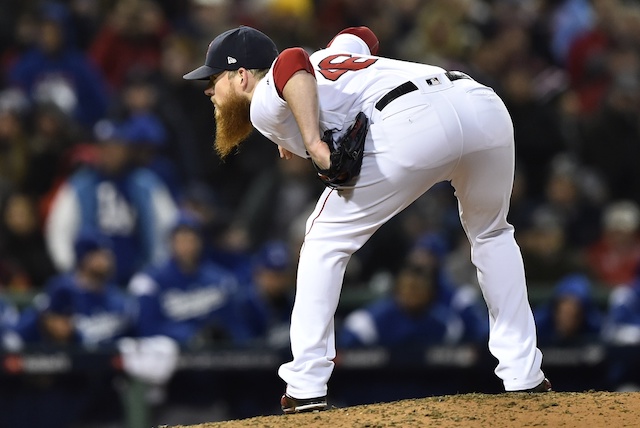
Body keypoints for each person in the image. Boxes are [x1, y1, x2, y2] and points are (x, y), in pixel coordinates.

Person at [183, 25, 551, 413]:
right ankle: (523, 375)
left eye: (214, 78)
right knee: (492, 235)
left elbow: (290, 61)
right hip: (479, 104)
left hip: (412, 122)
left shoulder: (261, 99)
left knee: (323, 239)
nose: (208, 90)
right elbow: (360, 36)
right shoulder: (329, 57)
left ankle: (306, 385)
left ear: (242, 76)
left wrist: (311, 141)